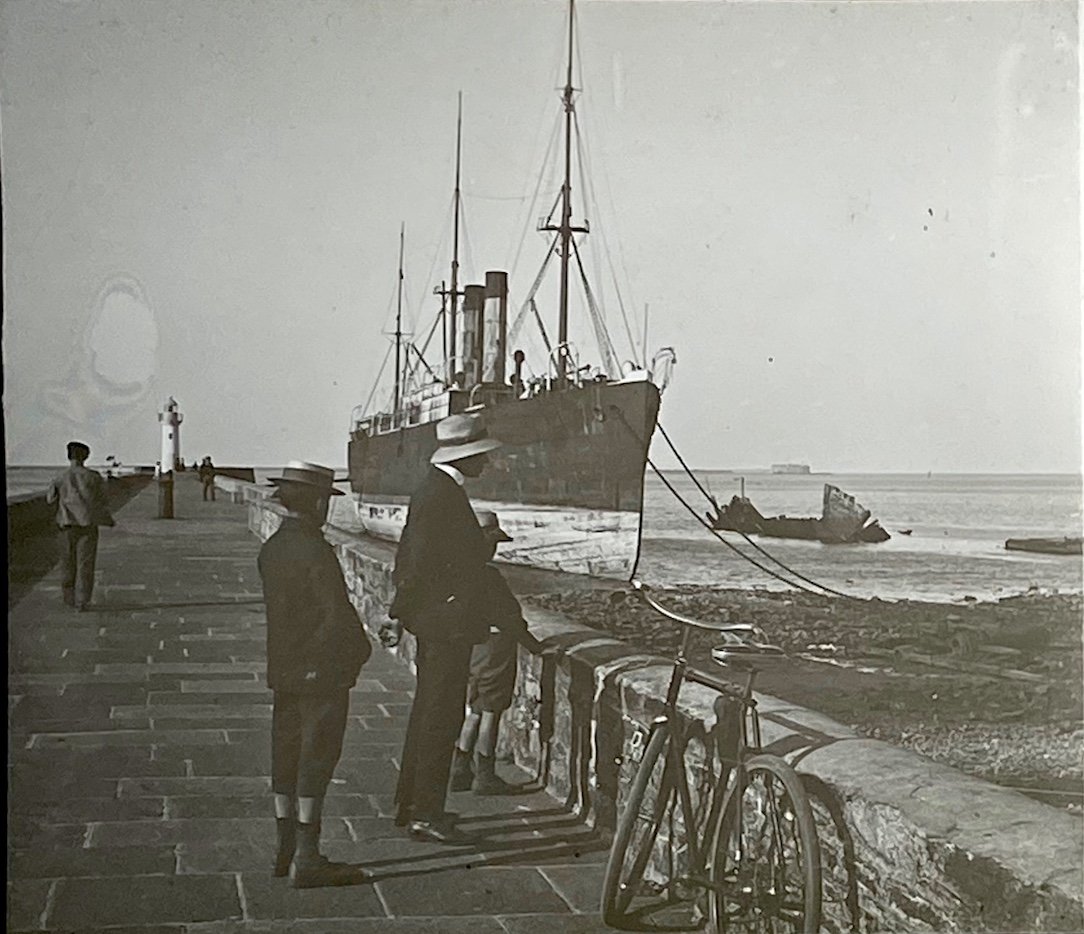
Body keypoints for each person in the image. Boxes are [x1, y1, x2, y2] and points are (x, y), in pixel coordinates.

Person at [381, 412, 501, 844]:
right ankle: (424, 814)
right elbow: (416, 561)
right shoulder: (441, 496)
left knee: (430, 714)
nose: (485, 464)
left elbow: (410, 555)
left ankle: (413, 805)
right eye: (480, 457)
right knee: (439, 717)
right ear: (464, 456)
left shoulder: (436, 490)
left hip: (439, 622)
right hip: (445, 626)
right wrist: (397, 612)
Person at [257, 461, 373, 888]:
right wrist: (359, 652)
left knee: (284, 754)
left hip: (283, 670)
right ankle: (308, 856)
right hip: (321, 672)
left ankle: (283, 843)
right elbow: (336, 615)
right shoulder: (315, 550)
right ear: (319, 502)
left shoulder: (272, 548)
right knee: (317, 758)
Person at [450, 511, 545, 795]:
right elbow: (509, 619)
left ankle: (459, 768)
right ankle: (486, 775)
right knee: (491, 711)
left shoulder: (457, 573)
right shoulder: (488, 577)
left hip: (472, 649)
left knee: (475, 709)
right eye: (491, 543)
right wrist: (535, 646)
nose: (494, 549)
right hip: (495, 650)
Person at [46, 441, 115, 611]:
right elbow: (103, 501)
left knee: (67, 563)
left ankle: (69, 599)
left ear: (69, 456)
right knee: (86, 563)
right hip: (88, 525)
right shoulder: (94, 476)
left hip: (66, 525)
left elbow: (50, 500)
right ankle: (83, 601)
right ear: (86, 456)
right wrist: (108, 519)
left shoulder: (60, 477)